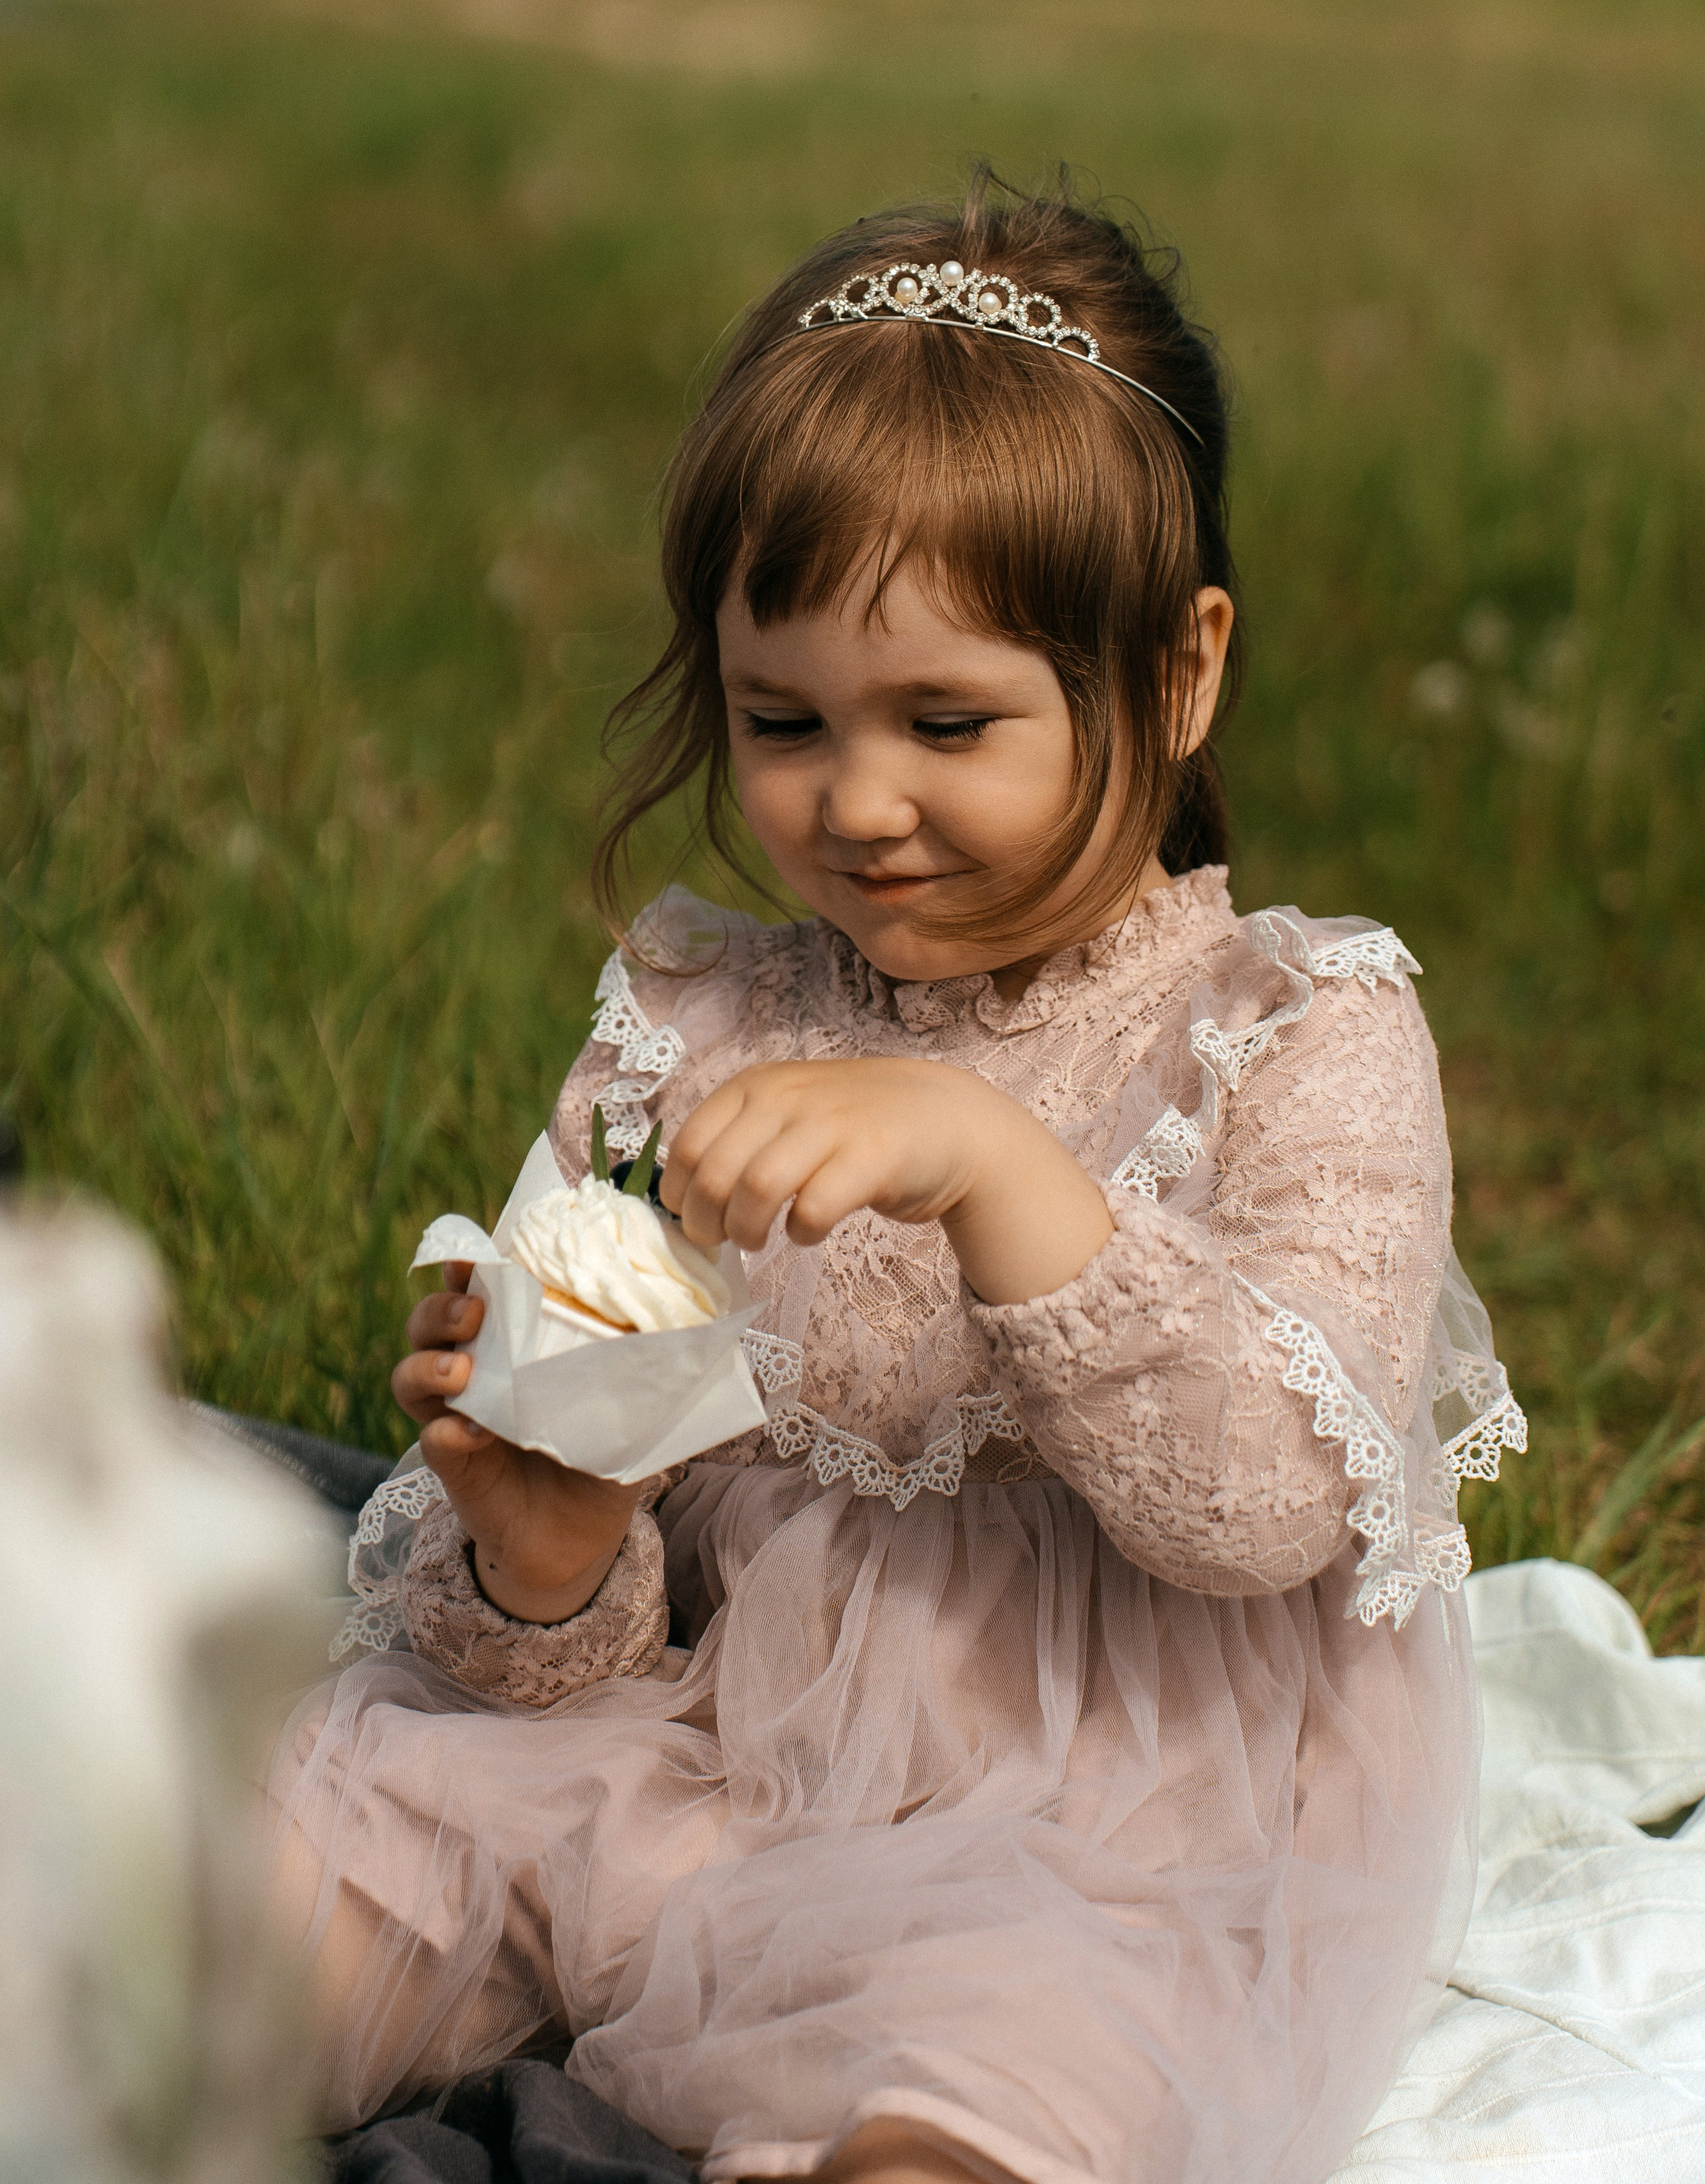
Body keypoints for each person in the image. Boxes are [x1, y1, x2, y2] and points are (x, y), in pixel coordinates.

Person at [272, 173, 1525, 2184]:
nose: (858, 802)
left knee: (990, 2085)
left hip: (1093, 1841)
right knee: (319, 1854)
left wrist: (987, 1160)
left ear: (1181, 671)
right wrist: (551, 1532)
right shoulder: (699, 1018)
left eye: (949, 720)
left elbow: (1271, 1499)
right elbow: (558, 1661)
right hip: (696, 1750)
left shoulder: (1297, 1031)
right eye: (783, 721)